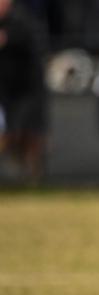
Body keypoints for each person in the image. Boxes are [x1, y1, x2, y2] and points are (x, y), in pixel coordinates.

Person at [0, 0, 48, 183]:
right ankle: (18, 175)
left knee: (30, 133)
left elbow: (33, 46)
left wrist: (8, 39)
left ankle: (33, 176)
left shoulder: (22, 20)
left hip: (28, 89)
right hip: (6, 91)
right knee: (11, 134)